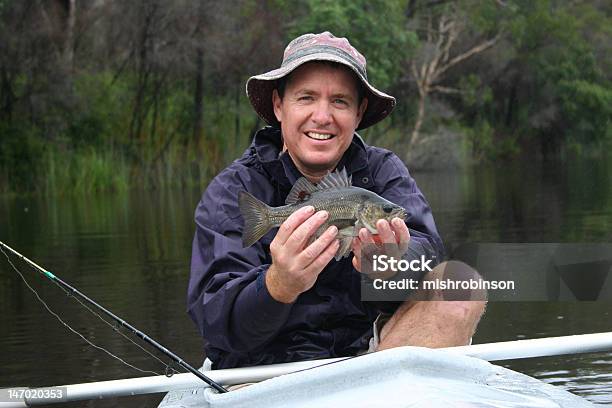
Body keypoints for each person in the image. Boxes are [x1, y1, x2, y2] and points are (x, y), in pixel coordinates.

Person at [188, 32, 486, 370]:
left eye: (340, 101)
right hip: (264, 375)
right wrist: (276, 286)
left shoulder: (383, 171)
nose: (322, 116)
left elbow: (427, 248)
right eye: (306, 98)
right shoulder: (232, 191)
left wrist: (394, 266)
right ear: (278, 105)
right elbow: (215, 320)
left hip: (368, 361)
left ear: (358, 113)